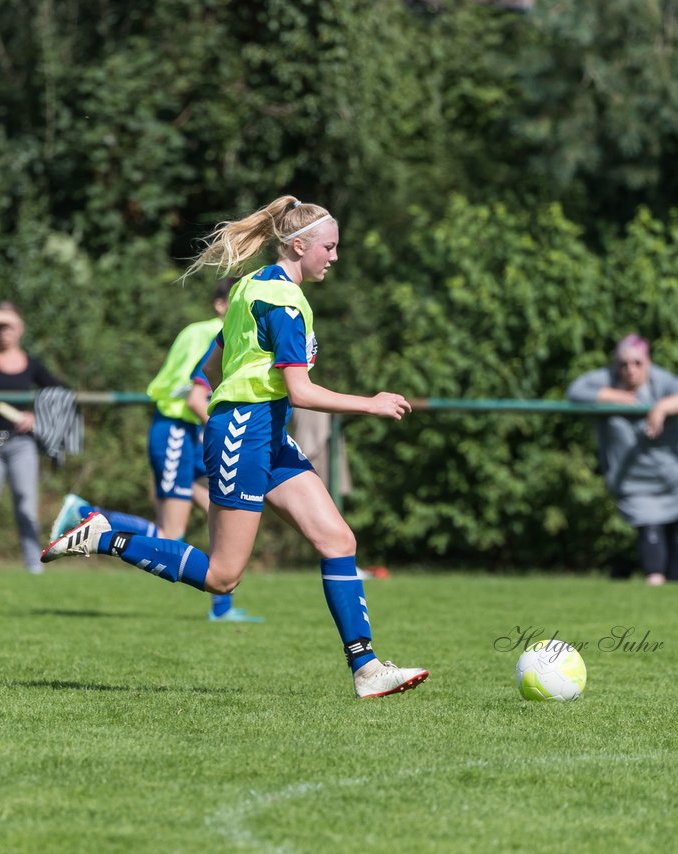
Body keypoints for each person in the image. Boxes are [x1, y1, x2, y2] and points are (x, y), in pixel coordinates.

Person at [43, 195, 428, 699]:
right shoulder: (287, 303)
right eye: (329, 248)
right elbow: (301, 392)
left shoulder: (251, 285)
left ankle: (367, 670)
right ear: (298, 245)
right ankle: (105, 536)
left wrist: (228, 396)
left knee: (338, 541)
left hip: (263, 429)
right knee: (223, 577)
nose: (334, 258)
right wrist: (371, 403)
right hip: (246, 433)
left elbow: (210, 366)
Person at [49, 278, 264, 621]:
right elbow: (195, 392)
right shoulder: (213, 332)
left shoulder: (202, 331)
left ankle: (222, 607)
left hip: (189, 431)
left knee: (220, 516)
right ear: (221, 305)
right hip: (179, 428)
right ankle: (87, 514)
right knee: (172, 533)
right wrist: (218, 430)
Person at [566, 334, 678, 585]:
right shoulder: (608, 380)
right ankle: (653, 586)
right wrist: (613, 396)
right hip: (635, 479)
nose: (630, 370)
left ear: (648, 362)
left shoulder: (662, 381)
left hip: (676, 475)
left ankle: (675, 594)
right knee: (649, 527)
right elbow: (575, 391)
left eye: (637, 363)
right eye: (623, 364)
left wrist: (663, 407)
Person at [0, 303, 64, 571]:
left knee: (26, 508)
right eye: (0, 326)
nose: (4, 331)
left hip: (22, 444)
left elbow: (60, 392)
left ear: (21, 329)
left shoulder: (31, 364)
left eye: (10, 325)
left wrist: (36, 417)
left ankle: (34, 568)